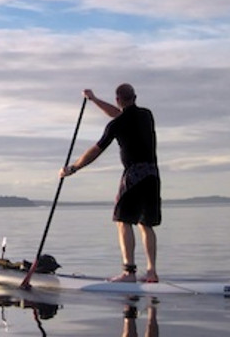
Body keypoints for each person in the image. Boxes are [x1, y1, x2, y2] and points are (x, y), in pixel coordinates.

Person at [60, 84, 161, 283]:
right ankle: (152, 272)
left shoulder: (117, 124)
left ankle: (129, 272)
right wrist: (95, 100)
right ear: (135, 97)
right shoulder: (146, 115)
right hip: (152, 175)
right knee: (145, 224)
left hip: (134, 176)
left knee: (123, 221)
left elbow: (96, 150)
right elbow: (120, 114)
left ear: (118, 100)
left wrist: (73, 168)